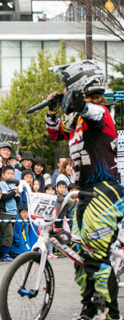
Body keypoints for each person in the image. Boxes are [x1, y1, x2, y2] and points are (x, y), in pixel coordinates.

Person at [46, 60, 124, 319]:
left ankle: (112, 315)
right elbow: (56, 134)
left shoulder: (100, 113)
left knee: (97, 259)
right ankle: (89, 310)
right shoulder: (78, 120)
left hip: (105, 193)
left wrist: (76, 101)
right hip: (84, 193)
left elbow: (90, 111)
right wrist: (53, 110)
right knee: (81, 258)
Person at [0, 166, 19, 262]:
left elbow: (18, 200)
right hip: (5, 213)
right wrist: (13, 192)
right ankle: (4, 254)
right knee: (8, 234)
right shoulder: (1, 185)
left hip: (13, 213)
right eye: (8, 174)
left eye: (12, 174)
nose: (11, 175)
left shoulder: (12, 186)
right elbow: (3, 197)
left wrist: (16, 194)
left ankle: (6, 253)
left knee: (10, 234)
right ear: (3, 175)